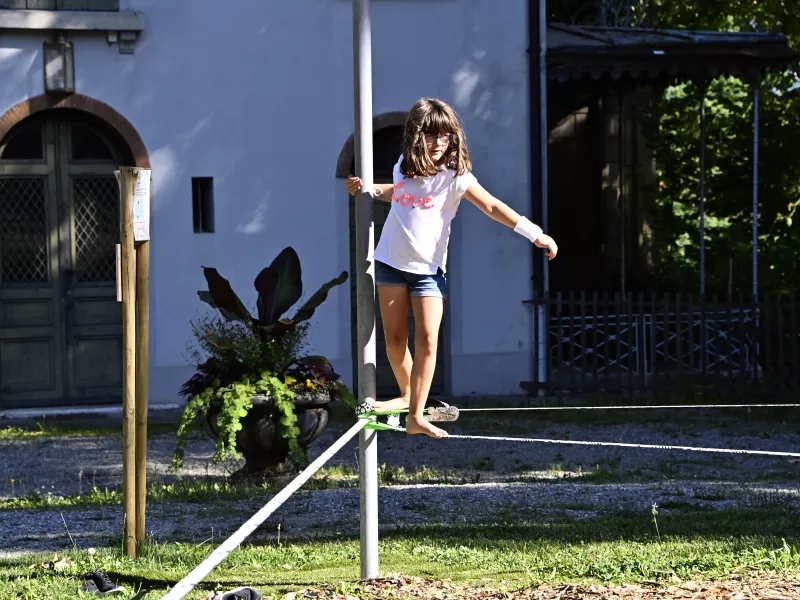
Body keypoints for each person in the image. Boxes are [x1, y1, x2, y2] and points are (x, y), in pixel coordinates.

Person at [346, 97, 557, 439]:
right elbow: (399, 194)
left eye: (444, 137)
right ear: (416, 137)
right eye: (431, 136)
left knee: (428, 339)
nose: (438, 144)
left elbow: (491, 206)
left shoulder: (456, 177)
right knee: (396, 340)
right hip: (390, 264)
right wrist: (369, 189)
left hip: (428, 271)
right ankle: (405, 395)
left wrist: (534, 233)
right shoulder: (404, 167)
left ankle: (416, 415)